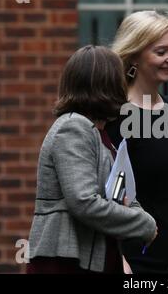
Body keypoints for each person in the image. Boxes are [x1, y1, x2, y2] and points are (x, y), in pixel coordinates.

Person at [27, 45, 157, 274]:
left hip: (93, 257)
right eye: (119, 79)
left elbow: (120, 194)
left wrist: (138, 216)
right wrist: (144, 224)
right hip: (64, 262)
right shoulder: (73, 126)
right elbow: (84, 202)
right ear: (107, 84)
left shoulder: (101, 134)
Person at [107, 10, 168, 273]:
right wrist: (119, 259)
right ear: (134, 55)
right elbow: (106, 196)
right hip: (134, 257)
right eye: (161, 51)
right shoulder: (115, 116)